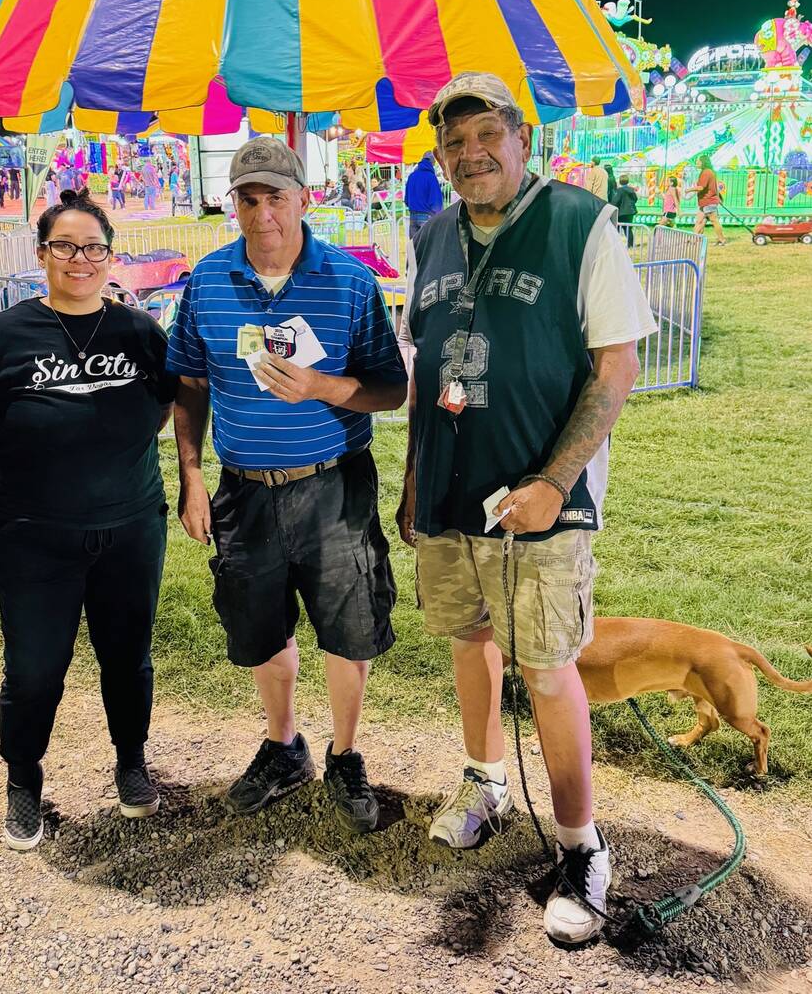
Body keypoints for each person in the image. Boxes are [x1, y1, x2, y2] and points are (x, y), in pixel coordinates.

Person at [397, 72, 656, 946]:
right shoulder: (432, 233)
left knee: (546, 667)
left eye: (487, 136)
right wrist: (413, 480)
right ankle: (485, 781)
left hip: (541, 502)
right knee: (469, 639)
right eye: (453, 142)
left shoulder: (579, 222)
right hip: (449, 492)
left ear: (521, 139)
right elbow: (427, 361)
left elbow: (616, 363)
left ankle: (581, 846)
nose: (470, 154)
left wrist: (554, 481)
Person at [168, 138, 407, 834]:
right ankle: (283, 746)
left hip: (333, 486)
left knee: (348, 626)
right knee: (259, 625)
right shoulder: (207, 281)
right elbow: (189, 384)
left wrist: (321, 387)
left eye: (276, 196)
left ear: (304, 198)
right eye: (248, 198)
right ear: (232, 204)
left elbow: (391, 390)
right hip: (243, 490)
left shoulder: (350, 281)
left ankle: (345, 753)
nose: (263, 212)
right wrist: (191, 477)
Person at [0, 191, 177, 850]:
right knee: (34, 667)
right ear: (43, 254)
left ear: (110, 257)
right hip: (34, 534)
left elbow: (163, 408)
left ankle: (131, 761)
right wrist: (19, 456)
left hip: (131, 526)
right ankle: (23, 780)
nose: (80, 259)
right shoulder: (2, 335)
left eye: (93, 247)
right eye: (65, 246)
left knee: (127, 656)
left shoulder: (140, 333)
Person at [404, 151, 444, 240]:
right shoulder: (431, 177)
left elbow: (406, 199)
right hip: (427, 216)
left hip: (413, 215)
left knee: (415, 246)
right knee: (428, 245)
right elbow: (436, 201)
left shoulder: (412, 176)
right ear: (432, 162)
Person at [688, 156, 726, 244]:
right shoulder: (708, 172)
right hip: (705, 201)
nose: (697, 163)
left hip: (708, 201)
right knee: (699, 221)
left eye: (698, 161)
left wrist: (688, 190)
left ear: (703, 162)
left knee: (714, 220)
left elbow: (701, 187)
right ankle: (694, 239)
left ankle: (722, 239)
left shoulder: (706, 172)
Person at [613, 175, 639, 247]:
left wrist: (611, 204)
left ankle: (616, 244)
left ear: (620, 182)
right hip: (630, 212)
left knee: (617, 228)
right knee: (628, 228)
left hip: (622, 212)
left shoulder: (619, 190)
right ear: (628, 181)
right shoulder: (631, 190)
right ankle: (630, 244)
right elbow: (635, 199)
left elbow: (616, 201)